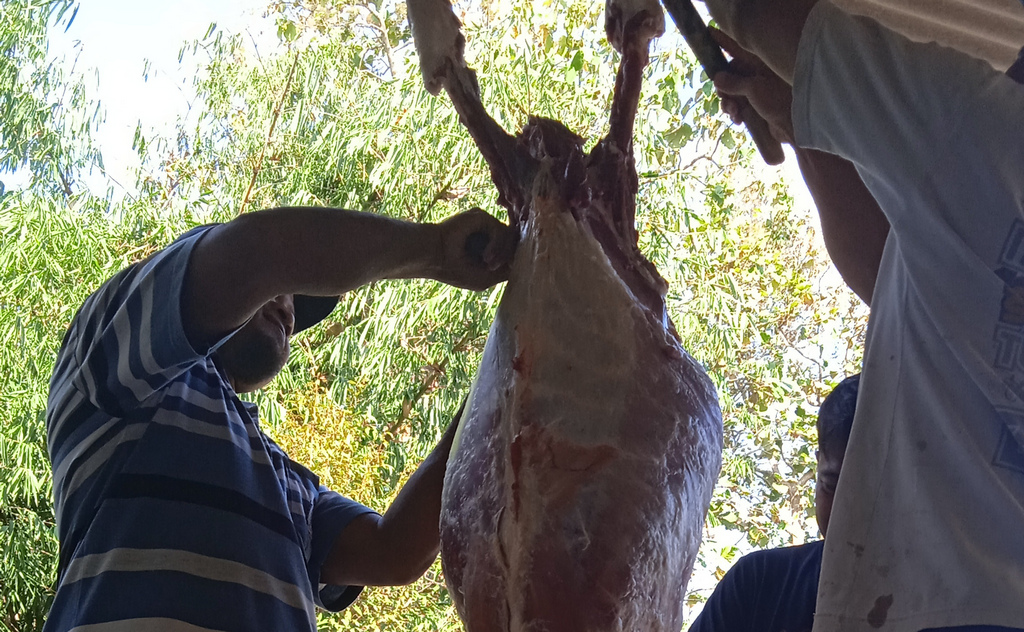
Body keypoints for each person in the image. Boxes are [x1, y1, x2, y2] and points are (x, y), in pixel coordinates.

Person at [699, 1, 1024, 630]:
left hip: (935, 607)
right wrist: (804, 121)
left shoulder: (978, 126)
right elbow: (884, 267)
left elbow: (758, 13)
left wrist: (794, 78)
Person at [43, 206, 517, 631]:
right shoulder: (111, 355)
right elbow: (257, 252)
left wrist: (506, 376)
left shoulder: (284, 479)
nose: (289, 309)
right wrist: (436, 250)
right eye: (279, 287)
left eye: (293, 297)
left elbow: (392, 552)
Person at [688, 375, 859, 632]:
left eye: (871, 494)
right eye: (831, 485)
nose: (848, 512)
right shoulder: (757, 584)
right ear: (818, 465)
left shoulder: (930, 607)